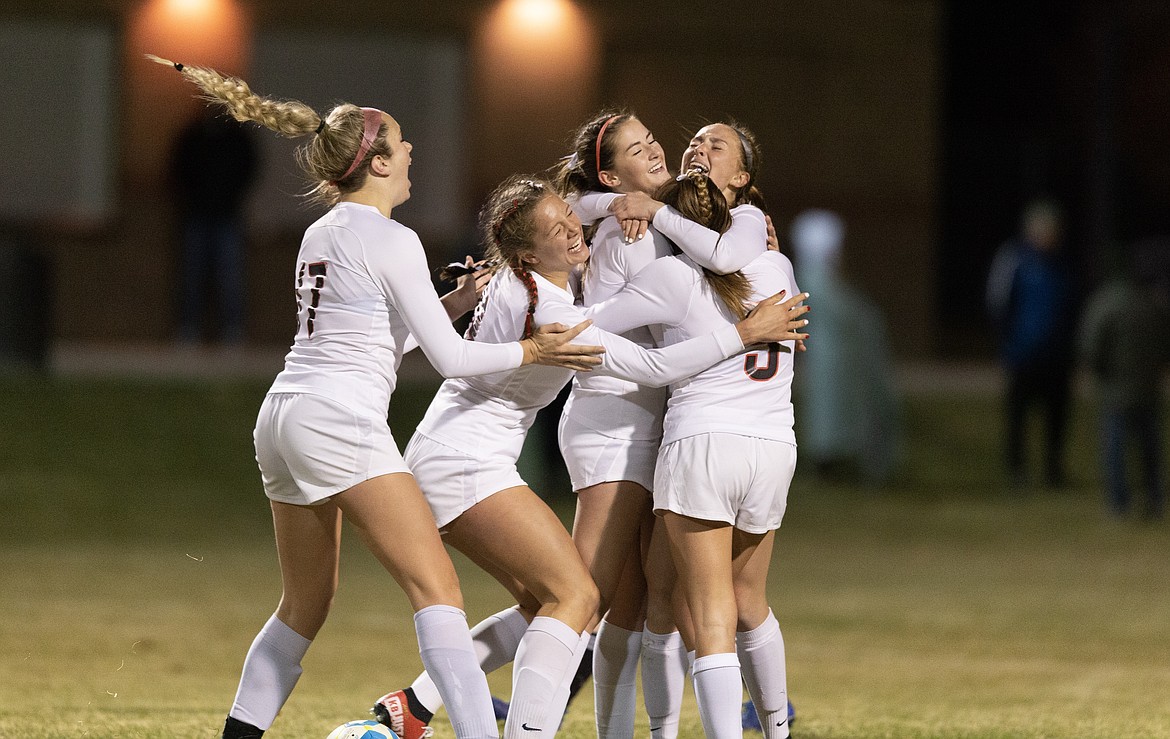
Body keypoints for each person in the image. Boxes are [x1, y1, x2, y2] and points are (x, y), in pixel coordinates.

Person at [146, 54, 607, 739]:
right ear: (379, 164)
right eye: (400, 140)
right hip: (340, 420)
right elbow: (449, 359)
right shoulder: (392, 238)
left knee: (304, 605)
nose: (413, 147)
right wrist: (533, 350)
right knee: (438, 591)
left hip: (282, 416)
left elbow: (379, 340)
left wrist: (453, 298)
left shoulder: (321, 232)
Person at [372, 175, 809, 739]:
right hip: (467, 459)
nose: (574, 230)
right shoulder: (557, 310)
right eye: (558, 229)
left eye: (569, 218)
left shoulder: (517, 275)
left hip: (455, 451)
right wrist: (744, 332)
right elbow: (654, 368)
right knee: (577, 595)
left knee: (548, 605)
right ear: (530, 251)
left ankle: (417, 705)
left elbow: (576, 213)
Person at [586, 166, 801, 738]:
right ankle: (777, 731)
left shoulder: (672, 277)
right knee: (740, 599)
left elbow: (585, 329)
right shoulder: (776, 265)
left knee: (706, 616)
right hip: (775, 445)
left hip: (704, 444)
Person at [788, 208, 900, 484]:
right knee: (830, 414)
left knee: (838, 411)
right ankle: (829, 464)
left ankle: (836, 461)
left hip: (836, 358)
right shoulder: (816, 277)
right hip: (830, 359)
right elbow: (845, 312)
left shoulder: (819, 275)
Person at [986, 198, 1079, 487]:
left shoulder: (1066, 263)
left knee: (1057, 420)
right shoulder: (1014, 258)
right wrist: (1006, 346)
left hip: (1057, 356)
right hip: (1022, 355)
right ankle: (1017, 473)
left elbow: (1074, 308)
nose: (1048, 234)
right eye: (1043, 228)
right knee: (1017, 420)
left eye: (1053, 229)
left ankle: (1053, 472)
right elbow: (998, 304)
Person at [1078, 249, 1168, 519]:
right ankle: (1154, 499)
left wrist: (1096, 371)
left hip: (1116, 390)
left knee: (1116, 449)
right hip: (1148, 389)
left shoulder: (1106, 303)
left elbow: (1092, 344)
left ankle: (1119, 504)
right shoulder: (1154, 304)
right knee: (1150, 448)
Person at [169, 107, 259, 345]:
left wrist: (232, 195)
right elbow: (179, 168)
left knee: (230, 277)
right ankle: (188, 329)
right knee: (192, 276)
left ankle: (233, 330)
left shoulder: (236, 138)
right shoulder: (193, 135)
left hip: (228, 215)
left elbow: (249, 167)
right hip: (197, 214)